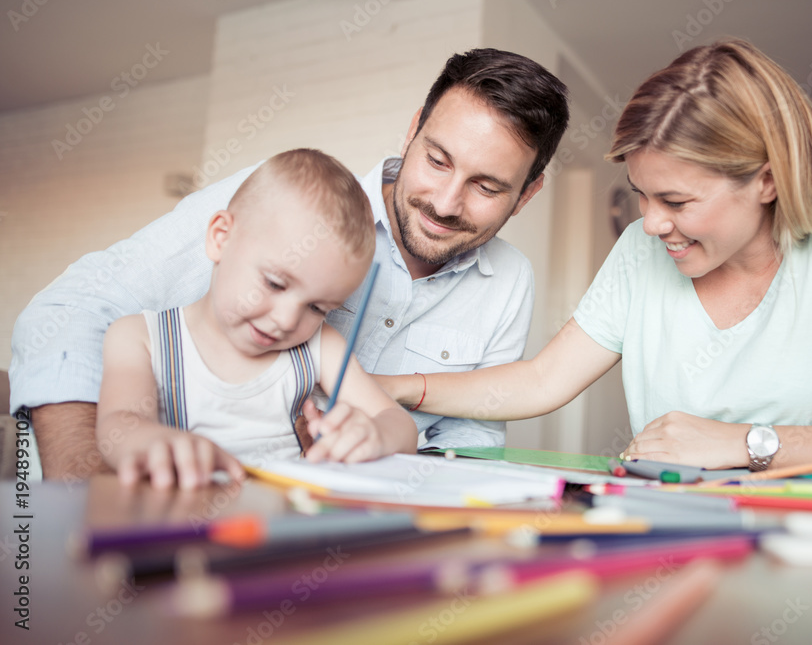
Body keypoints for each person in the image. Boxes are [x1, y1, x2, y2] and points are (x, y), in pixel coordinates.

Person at [378, 38, 812, 482]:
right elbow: (540, 380)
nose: (652, 223)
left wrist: (745, 443)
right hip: (677, 548)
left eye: (677, 201)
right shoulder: (642, 250)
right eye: (641, 193)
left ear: (766, 180)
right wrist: (391, 387)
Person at [10, 48, 569, 481]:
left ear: (527, 193)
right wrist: (87, 486)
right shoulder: (284, 200)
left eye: (487, 187)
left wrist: (376, 450)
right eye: (437, 159)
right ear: (413, 128)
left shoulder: (510, 281)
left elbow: (469, 445)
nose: (446, 204)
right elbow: (72, 309)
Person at [96, 149, 418, 488]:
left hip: (286, 526)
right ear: (221, 237)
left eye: (317, 308)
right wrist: (149, 442)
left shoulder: (319, 346)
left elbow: (400, 424)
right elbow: (118, 425)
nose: (286, 320)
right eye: (275, 283)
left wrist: (375, 434)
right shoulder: (140, 337)